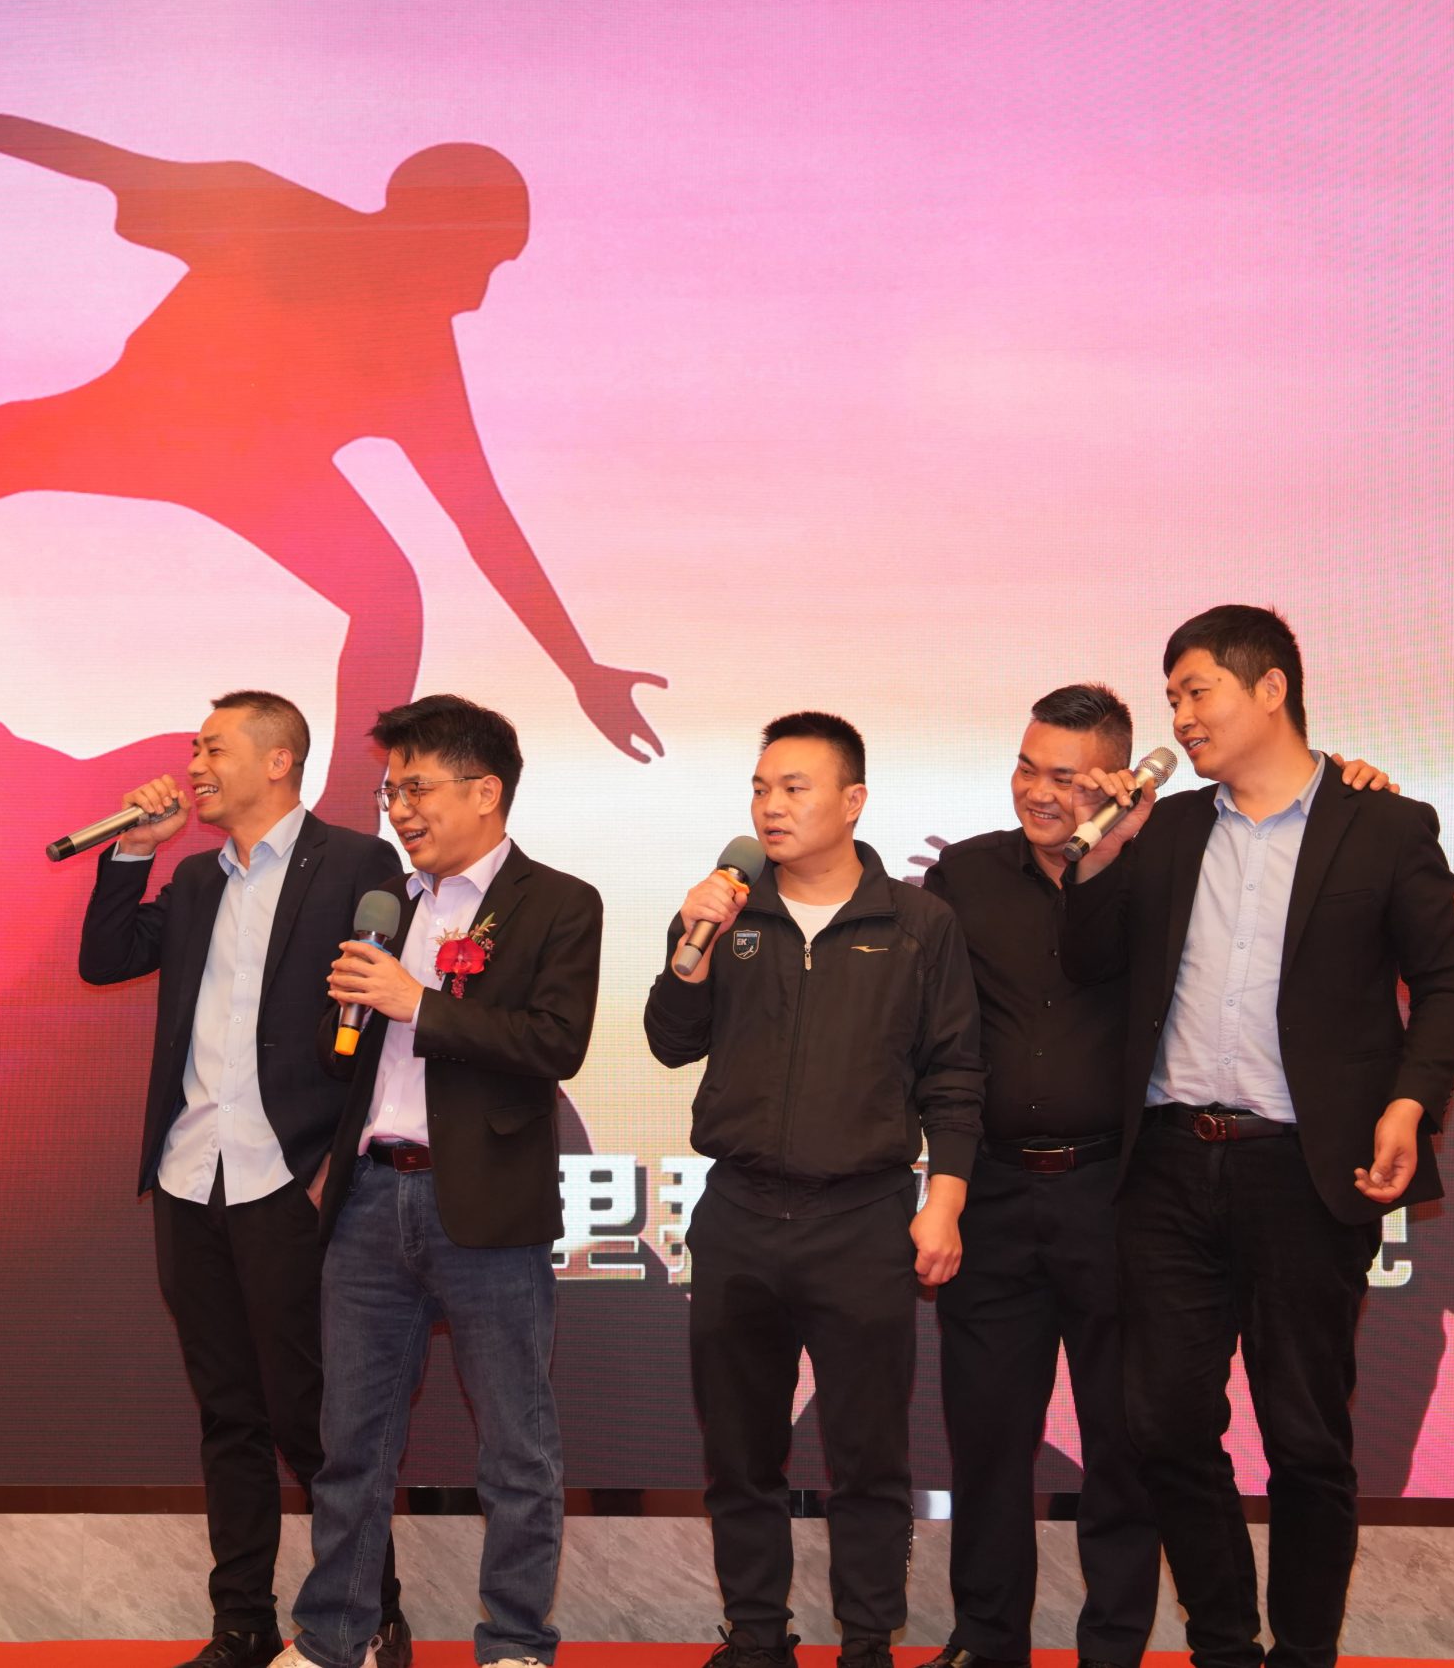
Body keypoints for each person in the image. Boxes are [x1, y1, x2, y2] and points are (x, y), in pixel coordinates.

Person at [0, 72, 663, 810]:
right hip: (136, 421)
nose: (477, 295)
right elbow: (87, 157)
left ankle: (347, 810)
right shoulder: (270, 218)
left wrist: (581, 670)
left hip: (260, 475)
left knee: (389, 594)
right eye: (480, 261)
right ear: (427, 225)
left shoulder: (420, 360)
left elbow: (485, 525)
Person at [921, 688, 1396, 1668]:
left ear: (1112, 776)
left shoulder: (1165, 862)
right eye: (1026, 768)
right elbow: (931, 1035)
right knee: (986, 1437)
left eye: (1065, 777)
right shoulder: (964, 875)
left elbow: (1372, 912)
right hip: (993, 1195)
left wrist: (1356, 790)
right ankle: (985, 1639)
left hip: (1124, 1191)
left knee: (1132, 1439)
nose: (1038, 792)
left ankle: (1114, 1647)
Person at [1062, 607, 1454, 1668]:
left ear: (1270, 689)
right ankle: (1223, 1645)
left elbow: (1444, 981)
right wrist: (1105, 852)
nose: (1180, 717)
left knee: (1304, 1438)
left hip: (1303, 1171)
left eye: (1196, 691)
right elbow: (1089, 961)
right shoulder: (1166, 830)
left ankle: (1301, 1654)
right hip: (1167, 1164)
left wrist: (1407, 1103)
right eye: (1172, 698)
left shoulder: (1383, 825)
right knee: (1162, 1424)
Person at [643, 712, 985, 1668]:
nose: (771, 806)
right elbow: (670, 1038)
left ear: (853, 799)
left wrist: (945, 1198)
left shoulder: (917, 924)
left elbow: (956, 1074)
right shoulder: (724, 910)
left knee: (868, 1453)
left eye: (794, 787)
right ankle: (756, 1635)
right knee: (740, 1449)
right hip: (740, 1213)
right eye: (761, 788)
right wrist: (693, 944)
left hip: (862, 1216)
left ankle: (867, 1640)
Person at [78, 691, 408, 1668]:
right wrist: (132, 851)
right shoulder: (194, 880)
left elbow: (379, 1027)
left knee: (311, 1416)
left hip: (288, 1176)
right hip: (191, 1174)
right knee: (227, 1412)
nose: (194, 766)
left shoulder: (356, 863)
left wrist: (329, 1162)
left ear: (277, 761)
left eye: (213, 748)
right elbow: (104, 958)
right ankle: (242, 1622)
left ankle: (369, 1618)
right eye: (194, 748)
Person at [281, 695, 604, 1668]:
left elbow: (553, 1043)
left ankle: (515, 1644)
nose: (399, 809)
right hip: (371, 1200)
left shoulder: (558, 903)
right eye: (391, 791)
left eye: (416, 787)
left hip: (487, 1205)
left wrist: (416, 1003)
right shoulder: (386, 905)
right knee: (352, 1444)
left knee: (515, 1448)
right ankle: (333, 1640)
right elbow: (346, 1054)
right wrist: (350, 1022)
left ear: (485, 790)